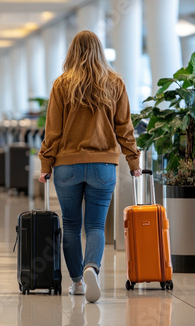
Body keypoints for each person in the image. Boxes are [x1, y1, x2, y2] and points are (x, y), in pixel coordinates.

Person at [38, 30, 142, 303]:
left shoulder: (62, 85)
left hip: (67, 167)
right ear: (100, 51)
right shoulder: (115, 83)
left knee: (71, 226)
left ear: (72, 51)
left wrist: (45, 163)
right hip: (103, 166)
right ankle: (91, 267)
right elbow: (125, 128)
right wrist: (133, 161)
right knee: (95, 225)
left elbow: (53, 132)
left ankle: (78, 282)